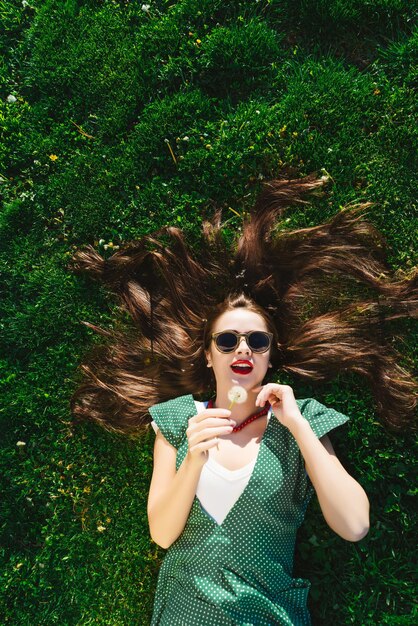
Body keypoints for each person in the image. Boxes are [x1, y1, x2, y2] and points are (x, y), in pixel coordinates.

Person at [69, 174, 417, 625]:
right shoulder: (177, 421)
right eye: (228, 339)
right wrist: (193, 459)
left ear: (271, 358)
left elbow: (354, 525)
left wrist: (299, 429)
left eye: (257, 340)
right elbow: (161, 532)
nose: (243, 350)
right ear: (208, 354)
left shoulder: (302, 422)